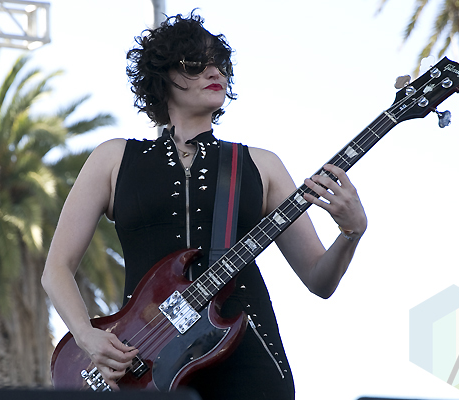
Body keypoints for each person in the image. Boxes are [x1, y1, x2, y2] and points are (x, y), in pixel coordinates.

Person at [41, 12, 367, 400]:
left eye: (221, 64)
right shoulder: (113, 158)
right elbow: (56, 269)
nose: (215, 72)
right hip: (144, 364)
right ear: (163, 76)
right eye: (196, 63)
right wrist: (87, 336)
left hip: (248, 363)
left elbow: (319, 279)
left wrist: (351, 232)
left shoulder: (262, 164)